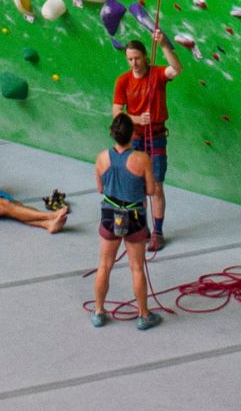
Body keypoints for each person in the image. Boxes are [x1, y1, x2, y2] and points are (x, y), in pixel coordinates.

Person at [111, 27, 181, 252]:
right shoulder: (123, 81)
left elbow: (176, 69)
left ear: (145, 57)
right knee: (139, 187)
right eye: (130, 59)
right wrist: (136, 119)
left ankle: (158, 232)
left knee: (157, 186)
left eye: (137, 58)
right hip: (136, 139)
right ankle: (142, 228)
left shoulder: (157, 74)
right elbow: (116, 113)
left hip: (157, 136)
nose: (134, 63)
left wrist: (163, 44)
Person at [90, 113, 163, 330]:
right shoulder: (141, 159)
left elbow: (100, 189)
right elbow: (151, 190)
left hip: (110, 215)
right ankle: (143, 314)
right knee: (136, 268)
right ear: (132, 134)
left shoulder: (102, 157)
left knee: (104, 265)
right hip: (133, 217)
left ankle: (99, 311)